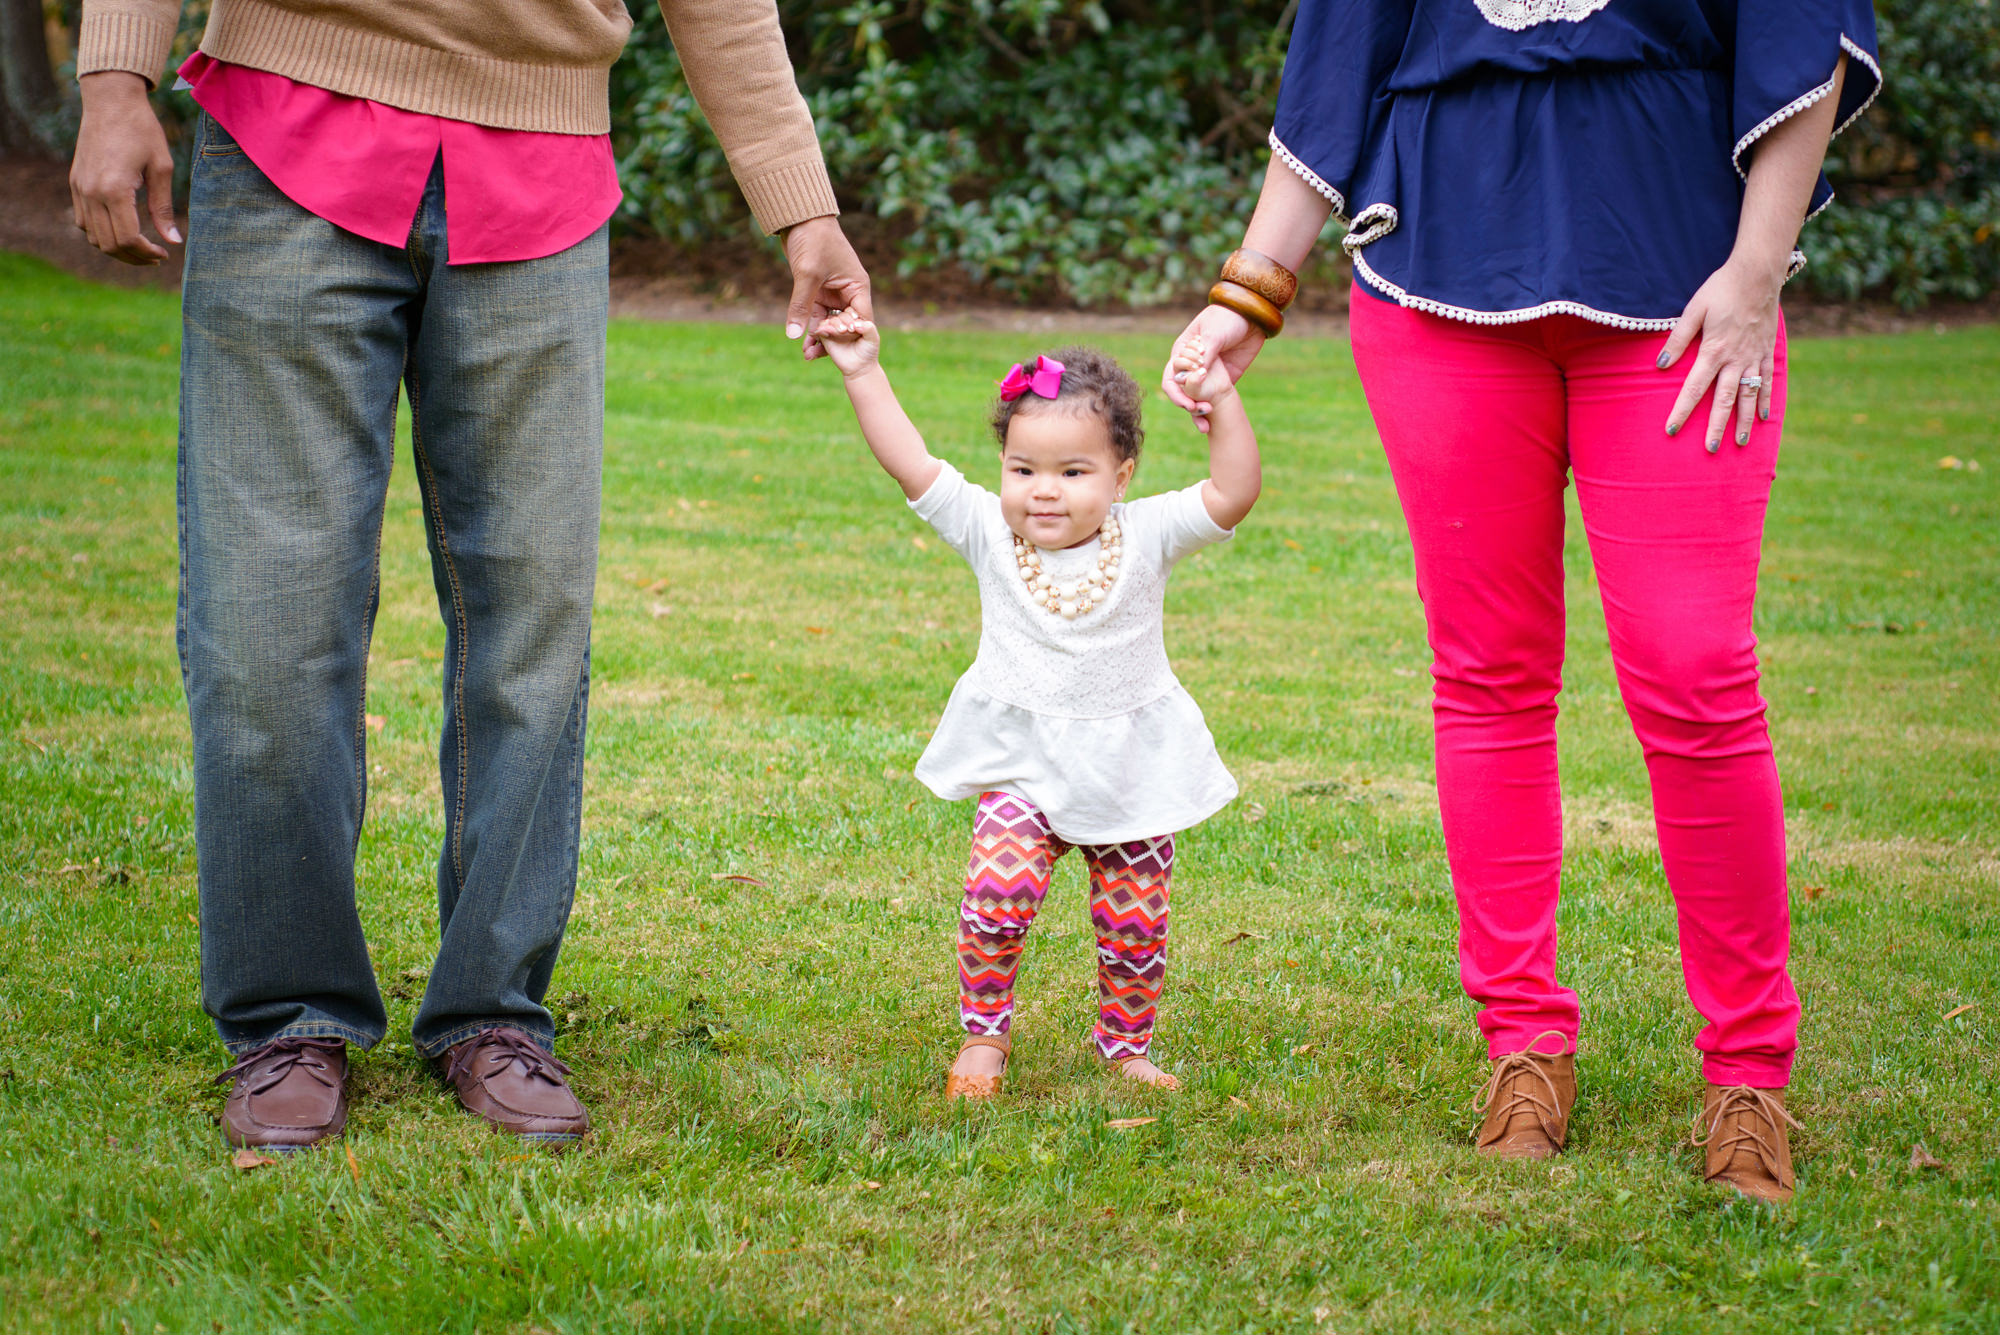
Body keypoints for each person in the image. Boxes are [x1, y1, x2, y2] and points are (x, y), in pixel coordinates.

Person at [69, 0, 872, 1151]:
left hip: (541, 166)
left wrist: (802, 209)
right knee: (266, 616)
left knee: (533, 616)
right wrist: (114, 76)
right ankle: (286, 1018)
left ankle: (493, 1013)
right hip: (287, 125)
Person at [1164, 0, 1881, 1201]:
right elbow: (1345, 56)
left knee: (1695, 671)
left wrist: (1757, 274)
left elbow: (1794, 31)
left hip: (1681, 278)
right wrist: (1247, 294)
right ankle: (1523, 1046)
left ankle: (1748, 1072)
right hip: (1437, 273)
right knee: (1486, 675)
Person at [813, 310, 1260, 1097]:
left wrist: (1220, 398)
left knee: (1133, 926)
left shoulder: (1148, 533)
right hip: (1020, 764)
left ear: (1122, 473)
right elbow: (910, 462)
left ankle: (1122, 1045)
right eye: (1023, 469)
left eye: (1073, 471)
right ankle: (984, 1038)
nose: (1043, 490)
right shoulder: (989, 531)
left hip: (1129, 771)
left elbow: (1234, 490)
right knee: (997, 895)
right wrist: (862, 370)